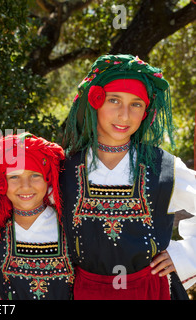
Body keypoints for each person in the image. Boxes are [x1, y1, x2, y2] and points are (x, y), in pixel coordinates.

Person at [60, 54, 196, 299]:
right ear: (96, 102)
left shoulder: (164, 167)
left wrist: (186, 254)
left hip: (150, 292)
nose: (124, 115)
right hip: (83, 292)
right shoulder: (65, 169)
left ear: (146, 112)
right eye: (114, 100)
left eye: (136, 104)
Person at [0, 132, 74, 300]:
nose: (25, 186)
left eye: (35, 175)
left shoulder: (68, 224)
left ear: (47, 179)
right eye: (14, 176)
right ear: (2, 182)